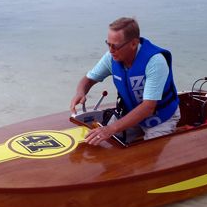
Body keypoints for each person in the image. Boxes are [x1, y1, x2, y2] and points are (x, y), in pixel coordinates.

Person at [70, 17, 180, 145]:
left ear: (133, 43)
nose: (110, 50)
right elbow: (88, 80)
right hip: (130, 114)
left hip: (161, 117)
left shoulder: (155, 62)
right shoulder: (111, 57)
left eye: (115, 46)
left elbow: (148, 107)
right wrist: (80, 92)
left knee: (149, 158)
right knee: (100, 143)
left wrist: (110, 129)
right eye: (108, 44)